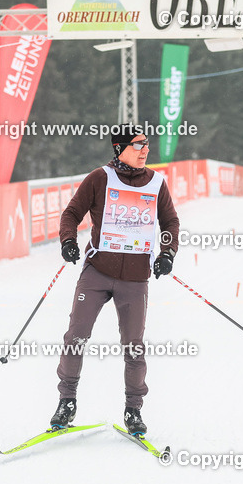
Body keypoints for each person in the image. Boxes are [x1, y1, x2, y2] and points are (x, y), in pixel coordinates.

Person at [50, 124, 180, 435]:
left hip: (135, 279)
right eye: (138, 145)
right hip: (97, 272)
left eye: (147, 144)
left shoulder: (156, 182)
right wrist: (68, 241)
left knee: (134, 346)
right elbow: (71, 213)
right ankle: (67, 401)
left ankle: (133, 409)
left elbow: (170, 221)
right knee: (75, 337)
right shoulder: (100, 178)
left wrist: (167, 253)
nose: (145, 149)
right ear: (119, 148)